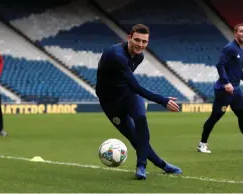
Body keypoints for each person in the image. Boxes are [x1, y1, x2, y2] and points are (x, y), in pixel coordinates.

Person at [95, 24, 182, 180]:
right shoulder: (117, 55)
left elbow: (130, 86)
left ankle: (141, 166)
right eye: (137, 40)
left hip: (129, 95)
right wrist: (163, 100)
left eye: (144, 42)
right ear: (129, 37)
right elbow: (135, 85)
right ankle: (163, 165)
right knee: (135, 139)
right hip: (111, 103)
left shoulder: (139, 56)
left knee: (141, 118)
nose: (140, 45)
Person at [197, 23, 243, 153]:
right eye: (241, 31)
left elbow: (238, 71)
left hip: (236, 90)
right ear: (235, 33)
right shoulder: (230, 48)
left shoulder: (241, 49)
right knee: (215, 116)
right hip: (225, 90)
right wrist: (226, 82)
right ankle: (202, 144)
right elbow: (220, 65)